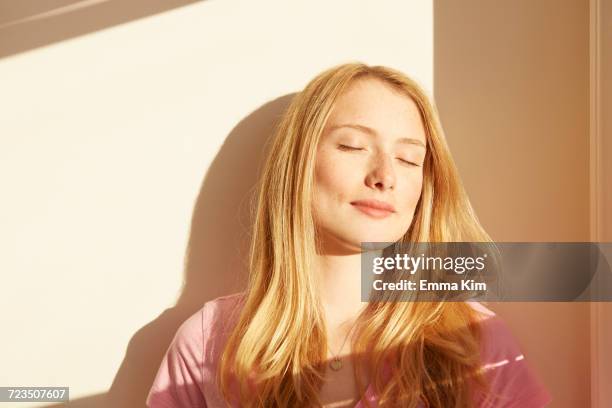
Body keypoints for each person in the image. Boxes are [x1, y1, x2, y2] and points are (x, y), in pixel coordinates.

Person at [146, 63, 552, 407]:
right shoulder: (209, 342)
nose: (385, 177)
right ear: (299, 165)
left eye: (409, 158)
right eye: (354, 146)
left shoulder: (476, 343)